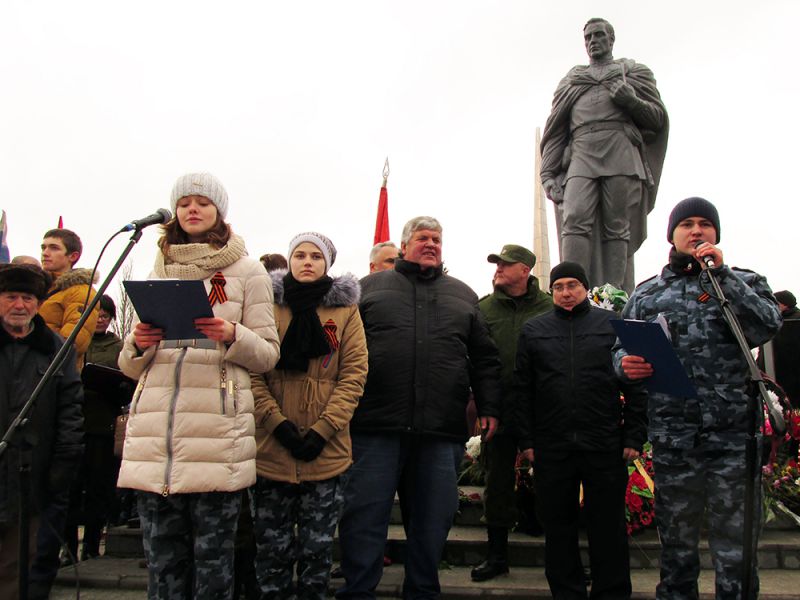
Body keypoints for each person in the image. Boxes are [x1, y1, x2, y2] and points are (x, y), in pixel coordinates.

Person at [116, 172, 281, 600]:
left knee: (212, 572)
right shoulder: (157, 266)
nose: (193, 209)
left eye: (203, 203)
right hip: (156, 444)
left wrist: (231, 333)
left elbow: (267, 354)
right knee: (163, 571)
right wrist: (137, 343)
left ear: (219, 212)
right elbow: (130, 366)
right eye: (185, 202)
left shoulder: (249, 271)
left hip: (215, 440)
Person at [617, 197, 781, 599]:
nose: (696, 230)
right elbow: (621, 349)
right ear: (671, 235)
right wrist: (624, 365)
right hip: (675, 439)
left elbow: (767, 324)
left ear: (715, 235)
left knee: (737, 547)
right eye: (686, 224)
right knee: (676, 543)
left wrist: (722, 275)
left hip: (733, 439)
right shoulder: (648, 293)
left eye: (705, 224)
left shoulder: (744, 282)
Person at [336, 216, 501, 599]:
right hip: (374, 427)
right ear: (405, 244)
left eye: (437, 239)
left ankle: (422, 591)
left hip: (440, 430)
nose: (431, 244)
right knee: (364, 517)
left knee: (432, 520)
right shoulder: (369, 288)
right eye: (423, 238)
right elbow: (341, 350)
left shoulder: (463, 294)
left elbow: (485, 358)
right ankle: (358, 590)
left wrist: (489, 406)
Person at [514, 261, 647, 599]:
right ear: (551, 291)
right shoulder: (534, 330)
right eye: (558, 286)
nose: (566, 292)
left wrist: (633, 434)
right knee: (558, 528)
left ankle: (612, 592)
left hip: (603, 442)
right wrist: (527, 440)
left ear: (585, 288)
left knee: (608, 528)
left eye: (572, 285)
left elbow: (634, 385)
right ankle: (566, 592)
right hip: (552, 445)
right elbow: (523, 390)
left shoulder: (611, 326)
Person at [250, 232, 367, 599]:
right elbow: (252, 373)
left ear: (326, 264)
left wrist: (322, 430)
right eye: (299, 254)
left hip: (326, 454)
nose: (306, 262)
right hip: (272, 450)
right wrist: (277, 424)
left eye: (316, 256)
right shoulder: (267, 305)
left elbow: (353, 374)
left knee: (316, 553)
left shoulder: (346, 311)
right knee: (272, 550)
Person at [540, 18, 668, 292]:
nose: (592, 41)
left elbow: (656, 120)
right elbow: (556, 129)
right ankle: (572, 287)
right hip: (582, 152)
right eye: (587, 37)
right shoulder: (573, 80)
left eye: (598, 35)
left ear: (611, 39)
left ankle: (614, 294)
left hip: (620, 151)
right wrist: (548, 173)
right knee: (574, 217)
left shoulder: (632, 73)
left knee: (617, 226)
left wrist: (631, 100)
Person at [0, 263, 83, 600]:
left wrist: (63, 467)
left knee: (22, 567)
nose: (19, 305)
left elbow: (70, 411)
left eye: (27, 298)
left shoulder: (57, 349)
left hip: (33, 477)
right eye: (10, 297)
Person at [470, 244, 552, 582]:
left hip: (543, 411)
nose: (499, 269)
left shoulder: (550, 307)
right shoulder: (483, 308)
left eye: (506, 264)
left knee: (553, 483)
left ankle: (560, 557)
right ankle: (497, 556)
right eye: (497, 264)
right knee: (498, 482)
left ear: (525, 270)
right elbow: (474, 359)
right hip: (498, 409)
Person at [63, 295, 126, 562]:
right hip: (74, 422)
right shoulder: (75, 341)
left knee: (99, 488)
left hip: (103, 424)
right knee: (70, 489)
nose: (100, 319)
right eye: (96, 314)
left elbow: (127, 379)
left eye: (105, 315)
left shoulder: (118, 346)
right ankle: (67, 548)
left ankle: (90, 545)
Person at [38, 228, 99, 367]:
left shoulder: (82, 292)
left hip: (54, 377)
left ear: (73, 256)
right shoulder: (37, 289)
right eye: (43, 247)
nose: (45, 253)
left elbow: (73, 344)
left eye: (54, 248)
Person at [760, 290, 800, 407]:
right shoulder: (775, 320)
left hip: (790, 377)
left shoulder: (794, 321)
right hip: (778, 376)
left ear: (784, 304)